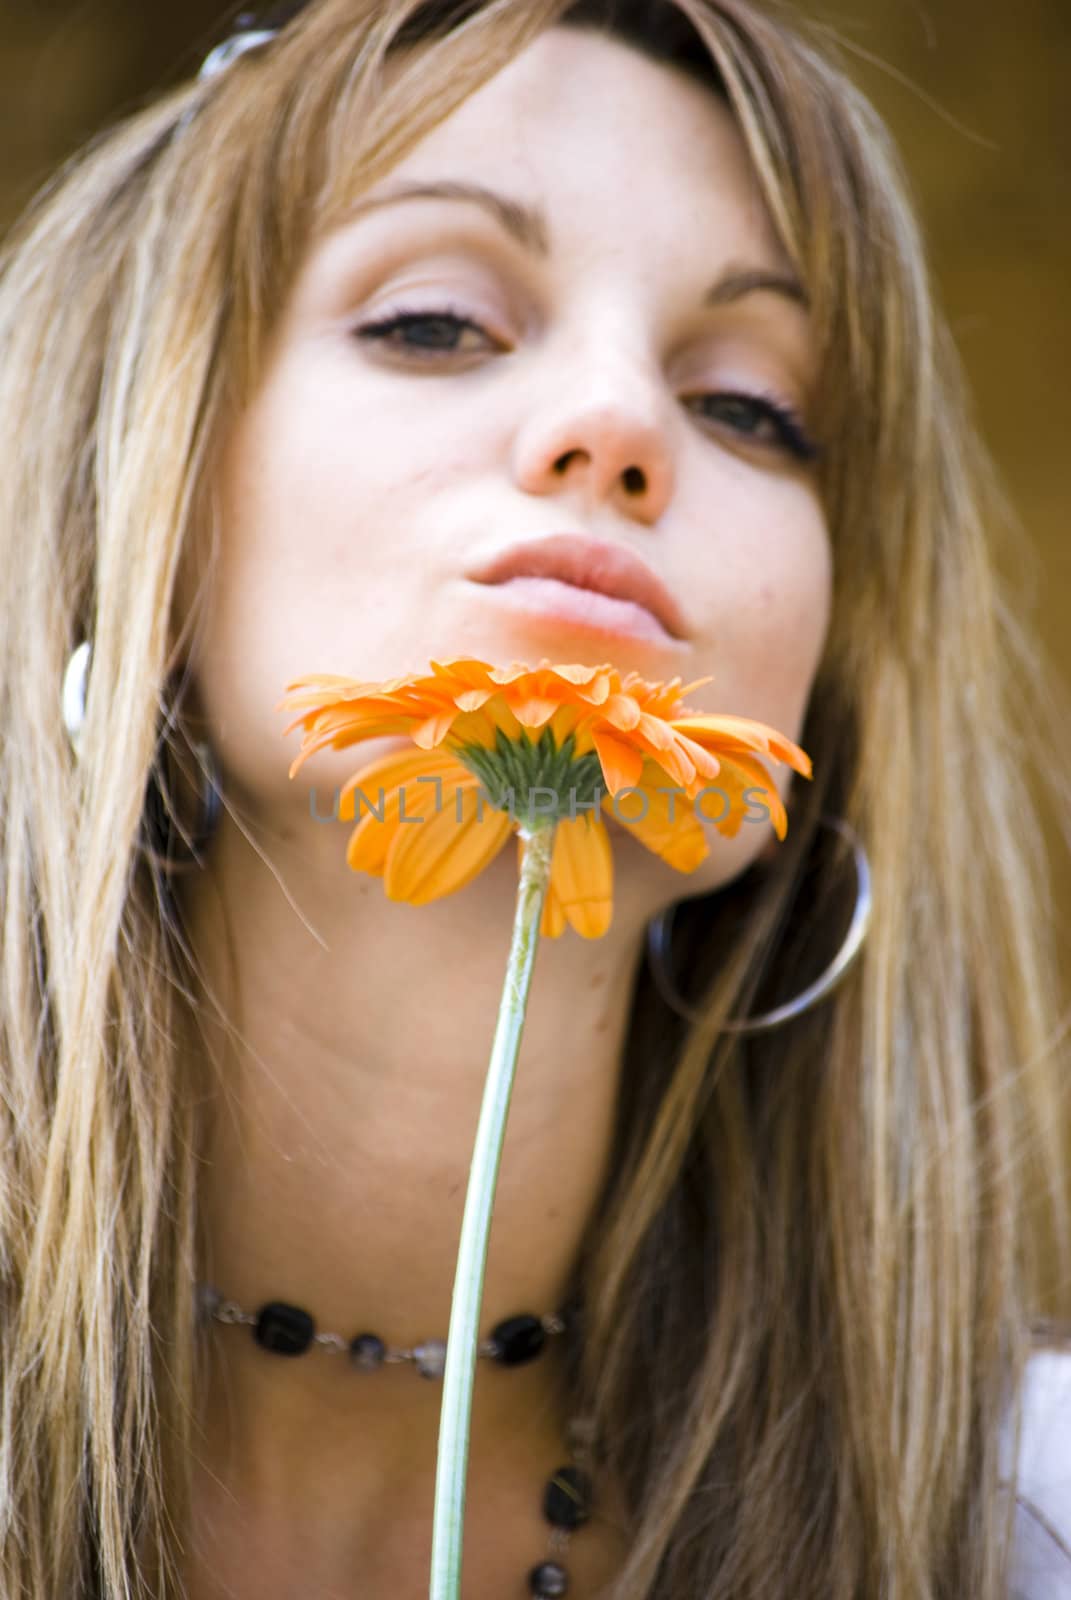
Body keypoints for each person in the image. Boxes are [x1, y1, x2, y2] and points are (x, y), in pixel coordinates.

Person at [1, 0, 1070, 1594]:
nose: (621, 420)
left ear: (824, 694)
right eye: (436, 320)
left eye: (751, 409)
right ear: (124, 503)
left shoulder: (1020, 1523)